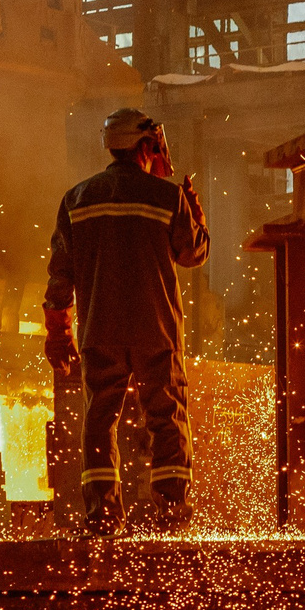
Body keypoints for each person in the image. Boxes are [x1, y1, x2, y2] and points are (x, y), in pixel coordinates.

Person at [44, 106, 211, 535]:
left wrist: (59, 332)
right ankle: (171, 510)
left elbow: (60, 274)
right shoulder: (167, 196)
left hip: (99, 328)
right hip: (156, 328)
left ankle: (102, 513)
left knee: (100, 419)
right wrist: (195, 214)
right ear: (145, 145)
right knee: (166, 416)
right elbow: (193, 253)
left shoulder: (77, 199)